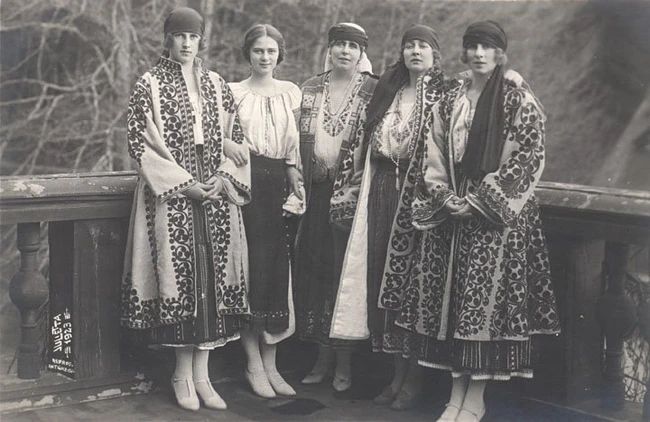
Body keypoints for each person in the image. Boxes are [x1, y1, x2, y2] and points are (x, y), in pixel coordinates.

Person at [404, 21, 560, 422]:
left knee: (484, 307)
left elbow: (529, 156)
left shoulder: (518, 99)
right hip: (454, 210)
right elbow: (432, 154)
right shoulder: (451, 100)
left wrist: (480, 201)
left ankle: (475, 398)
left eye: (487, 47)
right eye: (472, 46)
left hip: (495, 217)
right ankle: (454, 396)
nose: (478, 54)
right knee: (456, 304)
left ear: (499, 52)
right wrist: (445, 196)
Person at [121, 7, 251, 411]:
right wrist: (184, 184)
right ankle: (181, 374)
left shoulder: (216, 84)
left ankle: (203, 376)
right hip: (172, 194)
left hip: (213, 193)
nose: (186, 43)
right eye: (179, 35)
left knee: (211, 279)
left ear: (201, 40)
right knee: (180, 278)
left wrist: (223, 177)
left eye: (193, 37)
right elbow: (140, 142)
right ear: (168, 38)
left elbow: (236, 136)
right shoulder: (149, 84)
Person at [329, 24, 446, 409]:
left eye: (423, 46)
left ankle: (413, 378)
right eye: (409, 46)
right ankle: (394, 374)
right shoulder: (389, 91)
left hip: (417, 200)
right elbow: (363, 141)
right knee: (382, 280)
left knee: (412, 287)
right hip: (380, 192)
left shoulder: (444, 95)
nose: (416, 52)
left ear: (435, 54)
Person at [294, 22, 378, 393]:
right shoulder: (311, 87)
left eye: (352, 46)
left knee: (344, 277)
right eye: (339, 44)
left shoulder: (373, 90)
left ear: (361, 53)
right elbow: (293, 139)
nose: (345, 51)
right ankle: (320, 358)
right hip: (314, 194)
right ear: (330, 48)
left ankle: (344, 363)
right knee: (315, 273)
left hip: (352, 197)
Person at [226, 23, 302, 398]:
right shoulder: (233, 92)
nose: (265, 57)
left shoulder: (291, 92)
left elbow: (295, 147)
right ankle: (253, 362)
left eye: (271, 51)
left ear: (279, 54)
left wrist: (294, 178)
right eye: (259, 50)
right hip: (245, 184)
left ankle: (272, 363)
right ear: (248, 53)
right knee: (249, 270)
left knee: (276, 272)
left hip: (278, 186)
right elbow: (216, 134)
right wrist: (226, 144)